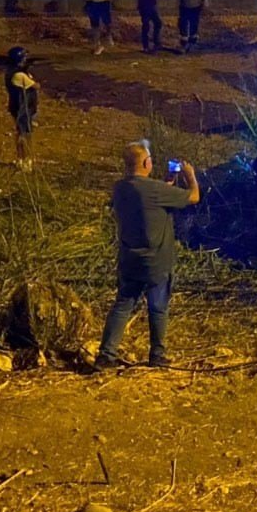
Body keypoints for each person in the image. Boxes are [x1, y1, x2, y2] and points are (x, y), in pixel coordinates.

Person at [94, 142, 200, 371]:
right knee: (158, 307)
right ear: (145, 163)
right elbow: (193, 197)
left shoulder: (121, 188)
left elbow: (148, 199)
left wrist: (167, 183)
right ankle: (157, 355)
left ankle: (106, 355)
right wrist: (191, 176)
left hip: (130, 259)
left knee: (122, 306)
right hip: (156, 262)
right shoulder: (153, 190)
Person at [5, 46, 38, 170]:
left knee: (22, 132)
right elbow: (36, 85)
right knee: (24, 134)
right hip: (22, 108)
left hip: (19, 107)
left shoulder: (12, 72)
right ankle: (24, 160)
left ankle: (22, 159)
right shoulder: (19, 75)